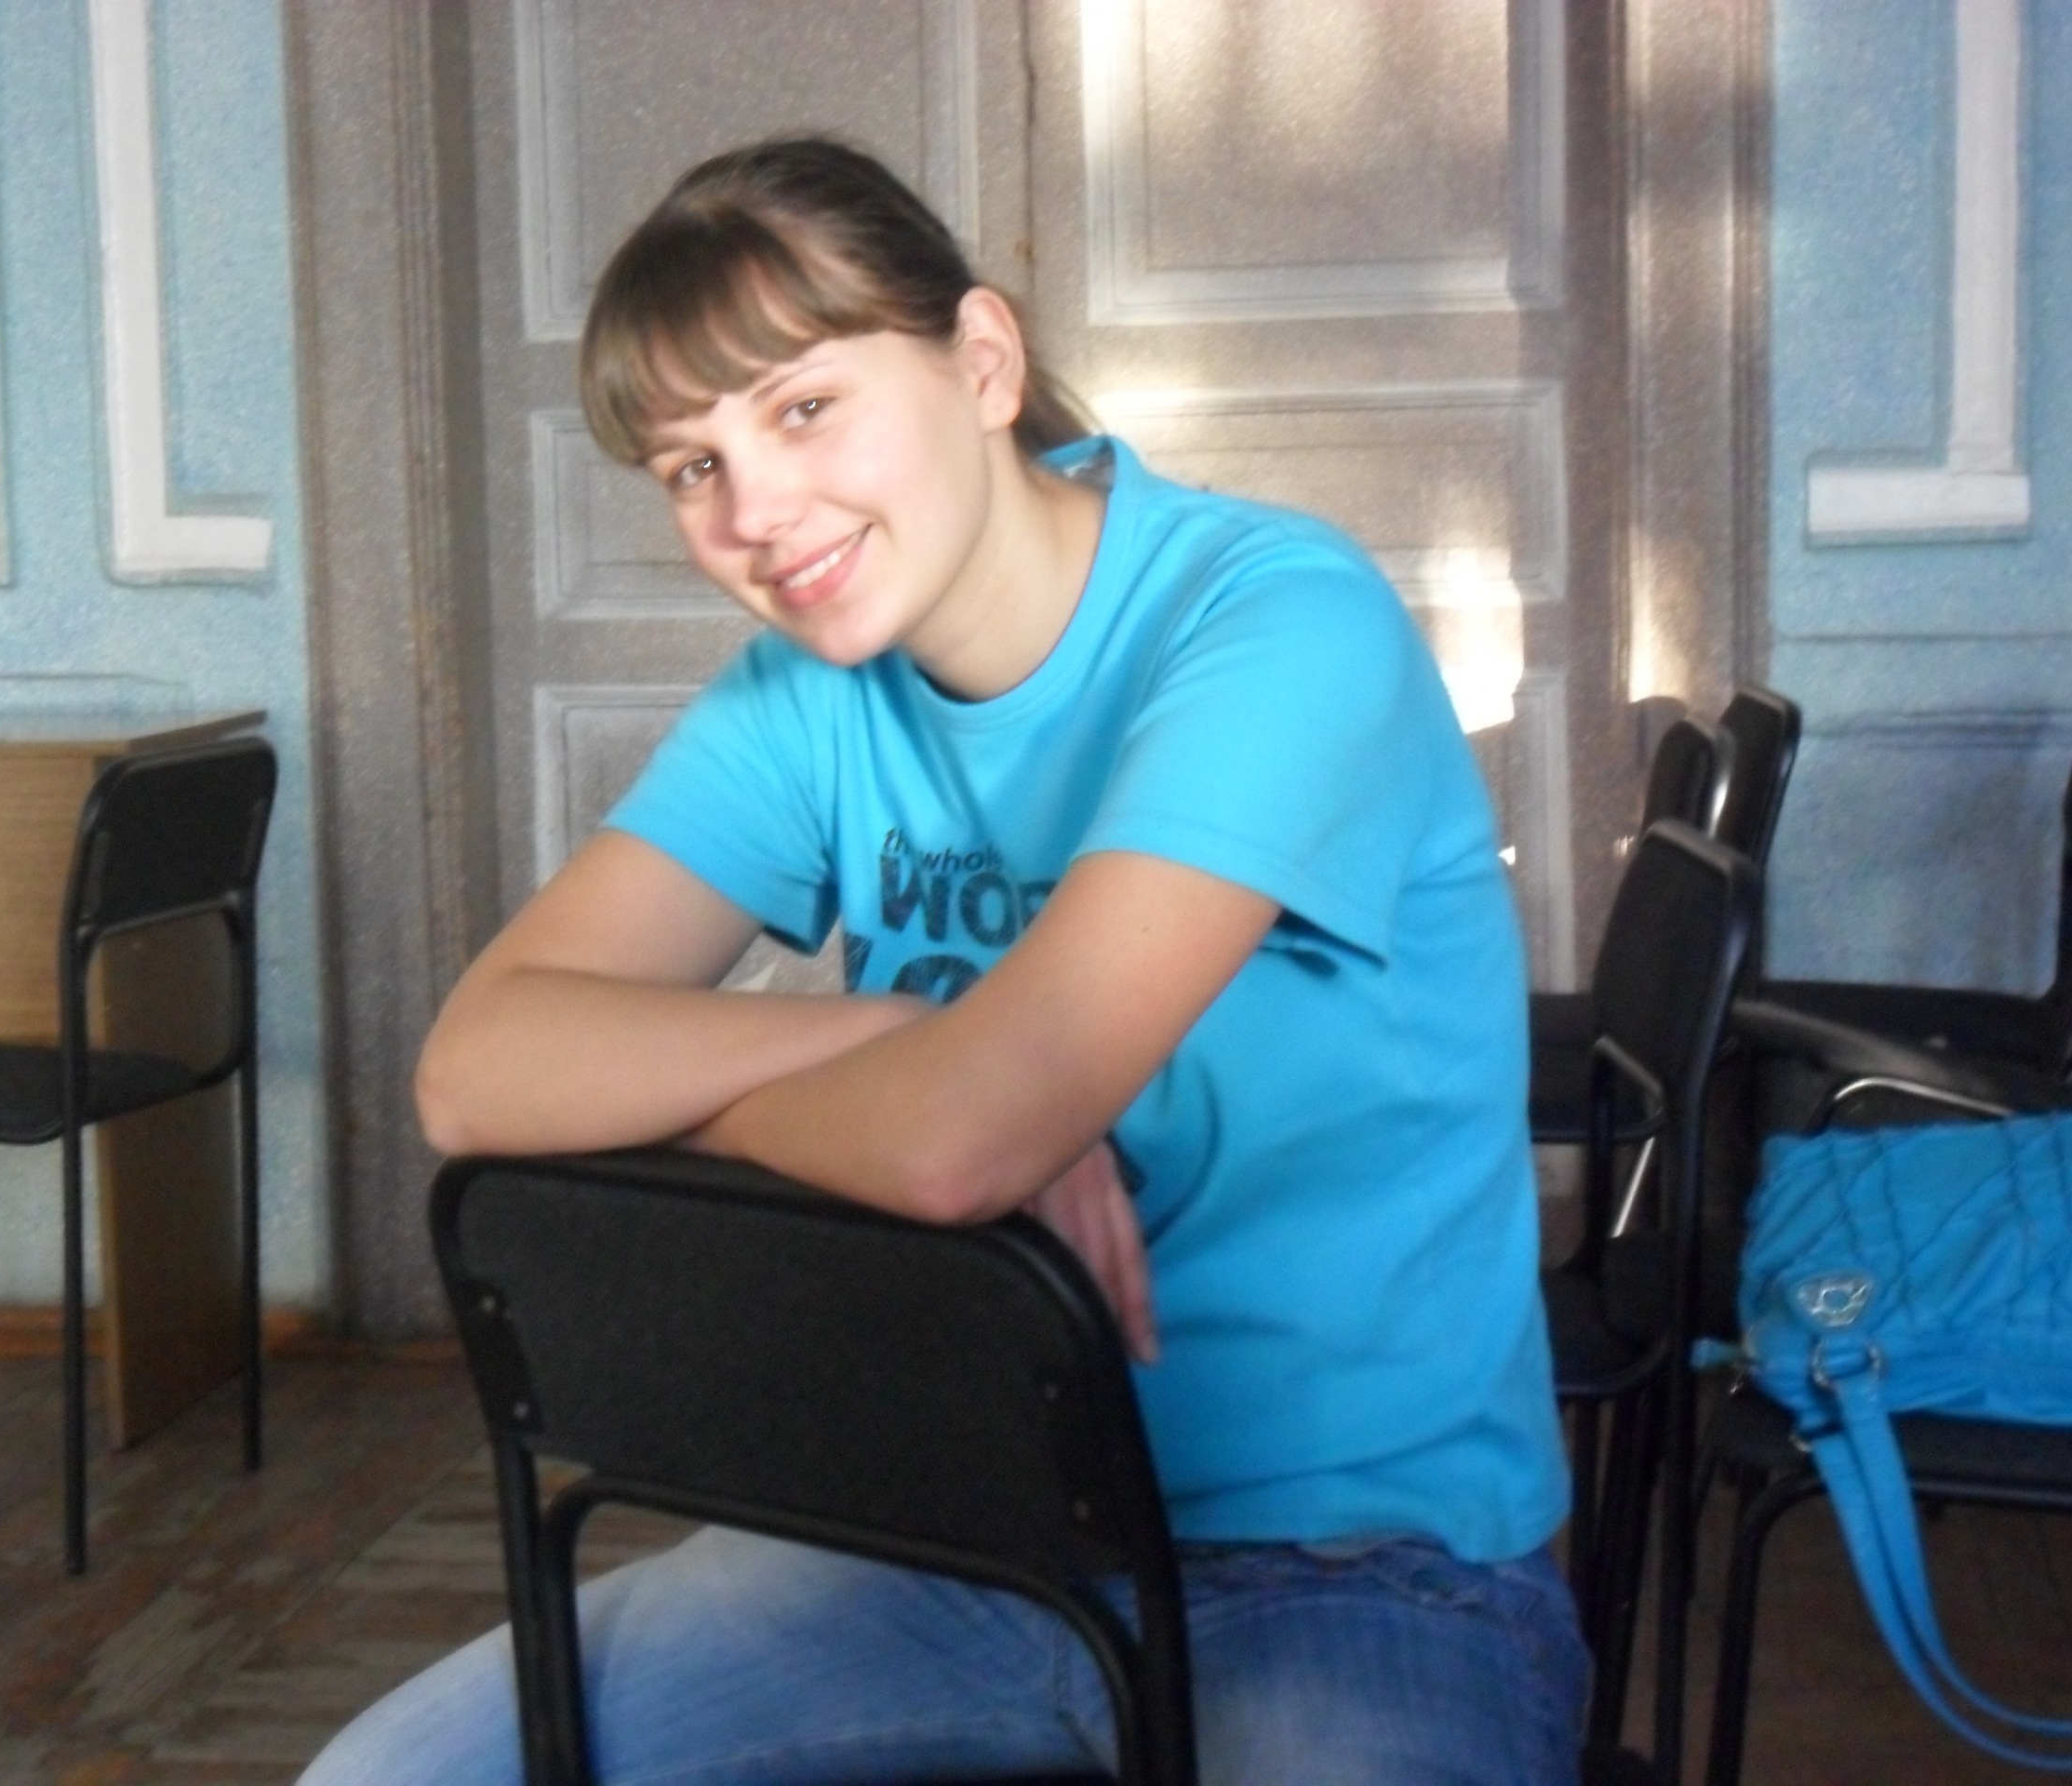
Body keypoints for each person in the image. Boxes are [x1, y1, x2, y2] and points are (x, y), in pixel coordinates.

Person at [301, 136, 1584, 1786]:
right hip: (951, 1532)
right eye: (691, 467)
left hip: (1356, 1563)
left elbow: (965, 1138)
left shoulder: (1277, 621)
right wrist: (880, 1042)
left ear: (981, 362)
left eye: (803, 407)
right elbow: (475, 1069)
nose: (754, 514)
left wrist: (910, 1104)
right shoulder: (804, 700)